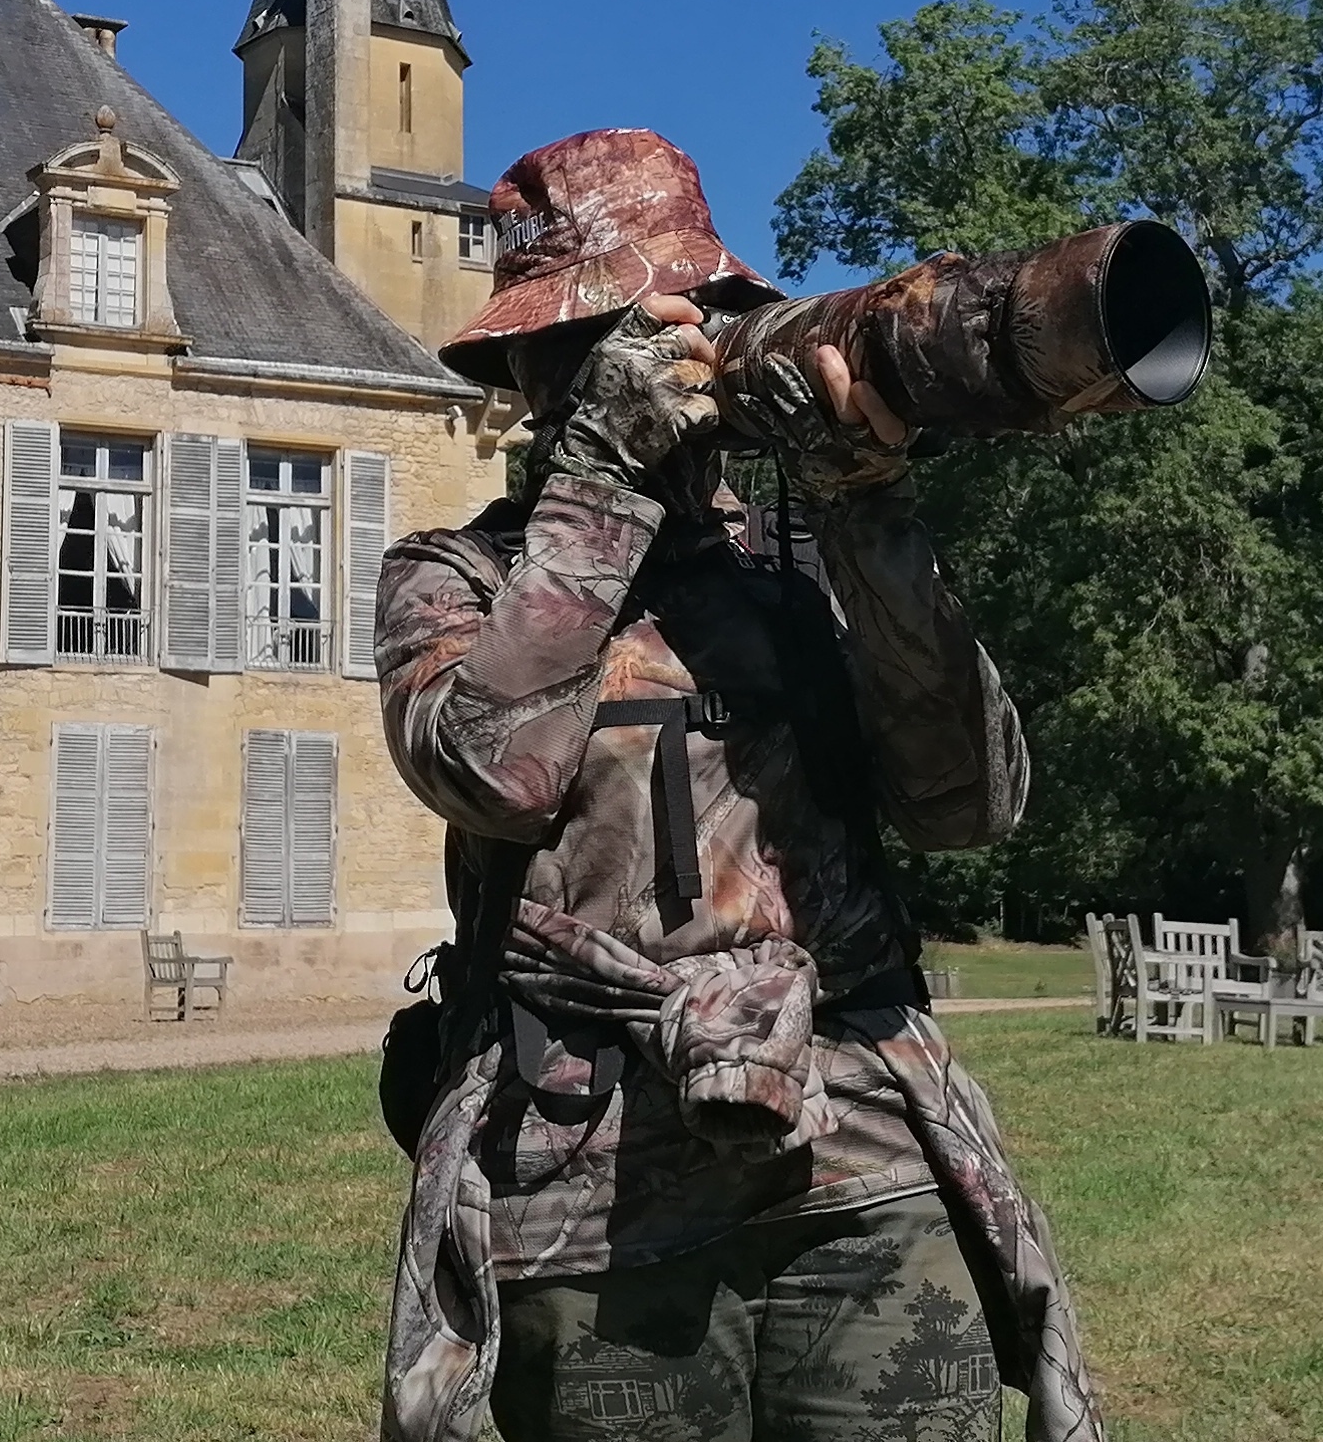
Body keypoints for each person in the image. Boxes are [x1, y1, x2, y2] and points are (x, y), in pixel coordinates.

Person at [374, 128, 1103, 1442]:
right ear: (541, 366)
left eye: (709, 314)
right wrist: (600, 483)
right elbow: (492, 773)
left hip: (864, 1153)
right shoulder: (459, 578)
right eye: (630, 324)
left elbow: (967, 804)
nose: (691, 347)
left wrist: (865, 501)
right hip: (590, 1186)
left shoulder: (798, 572)